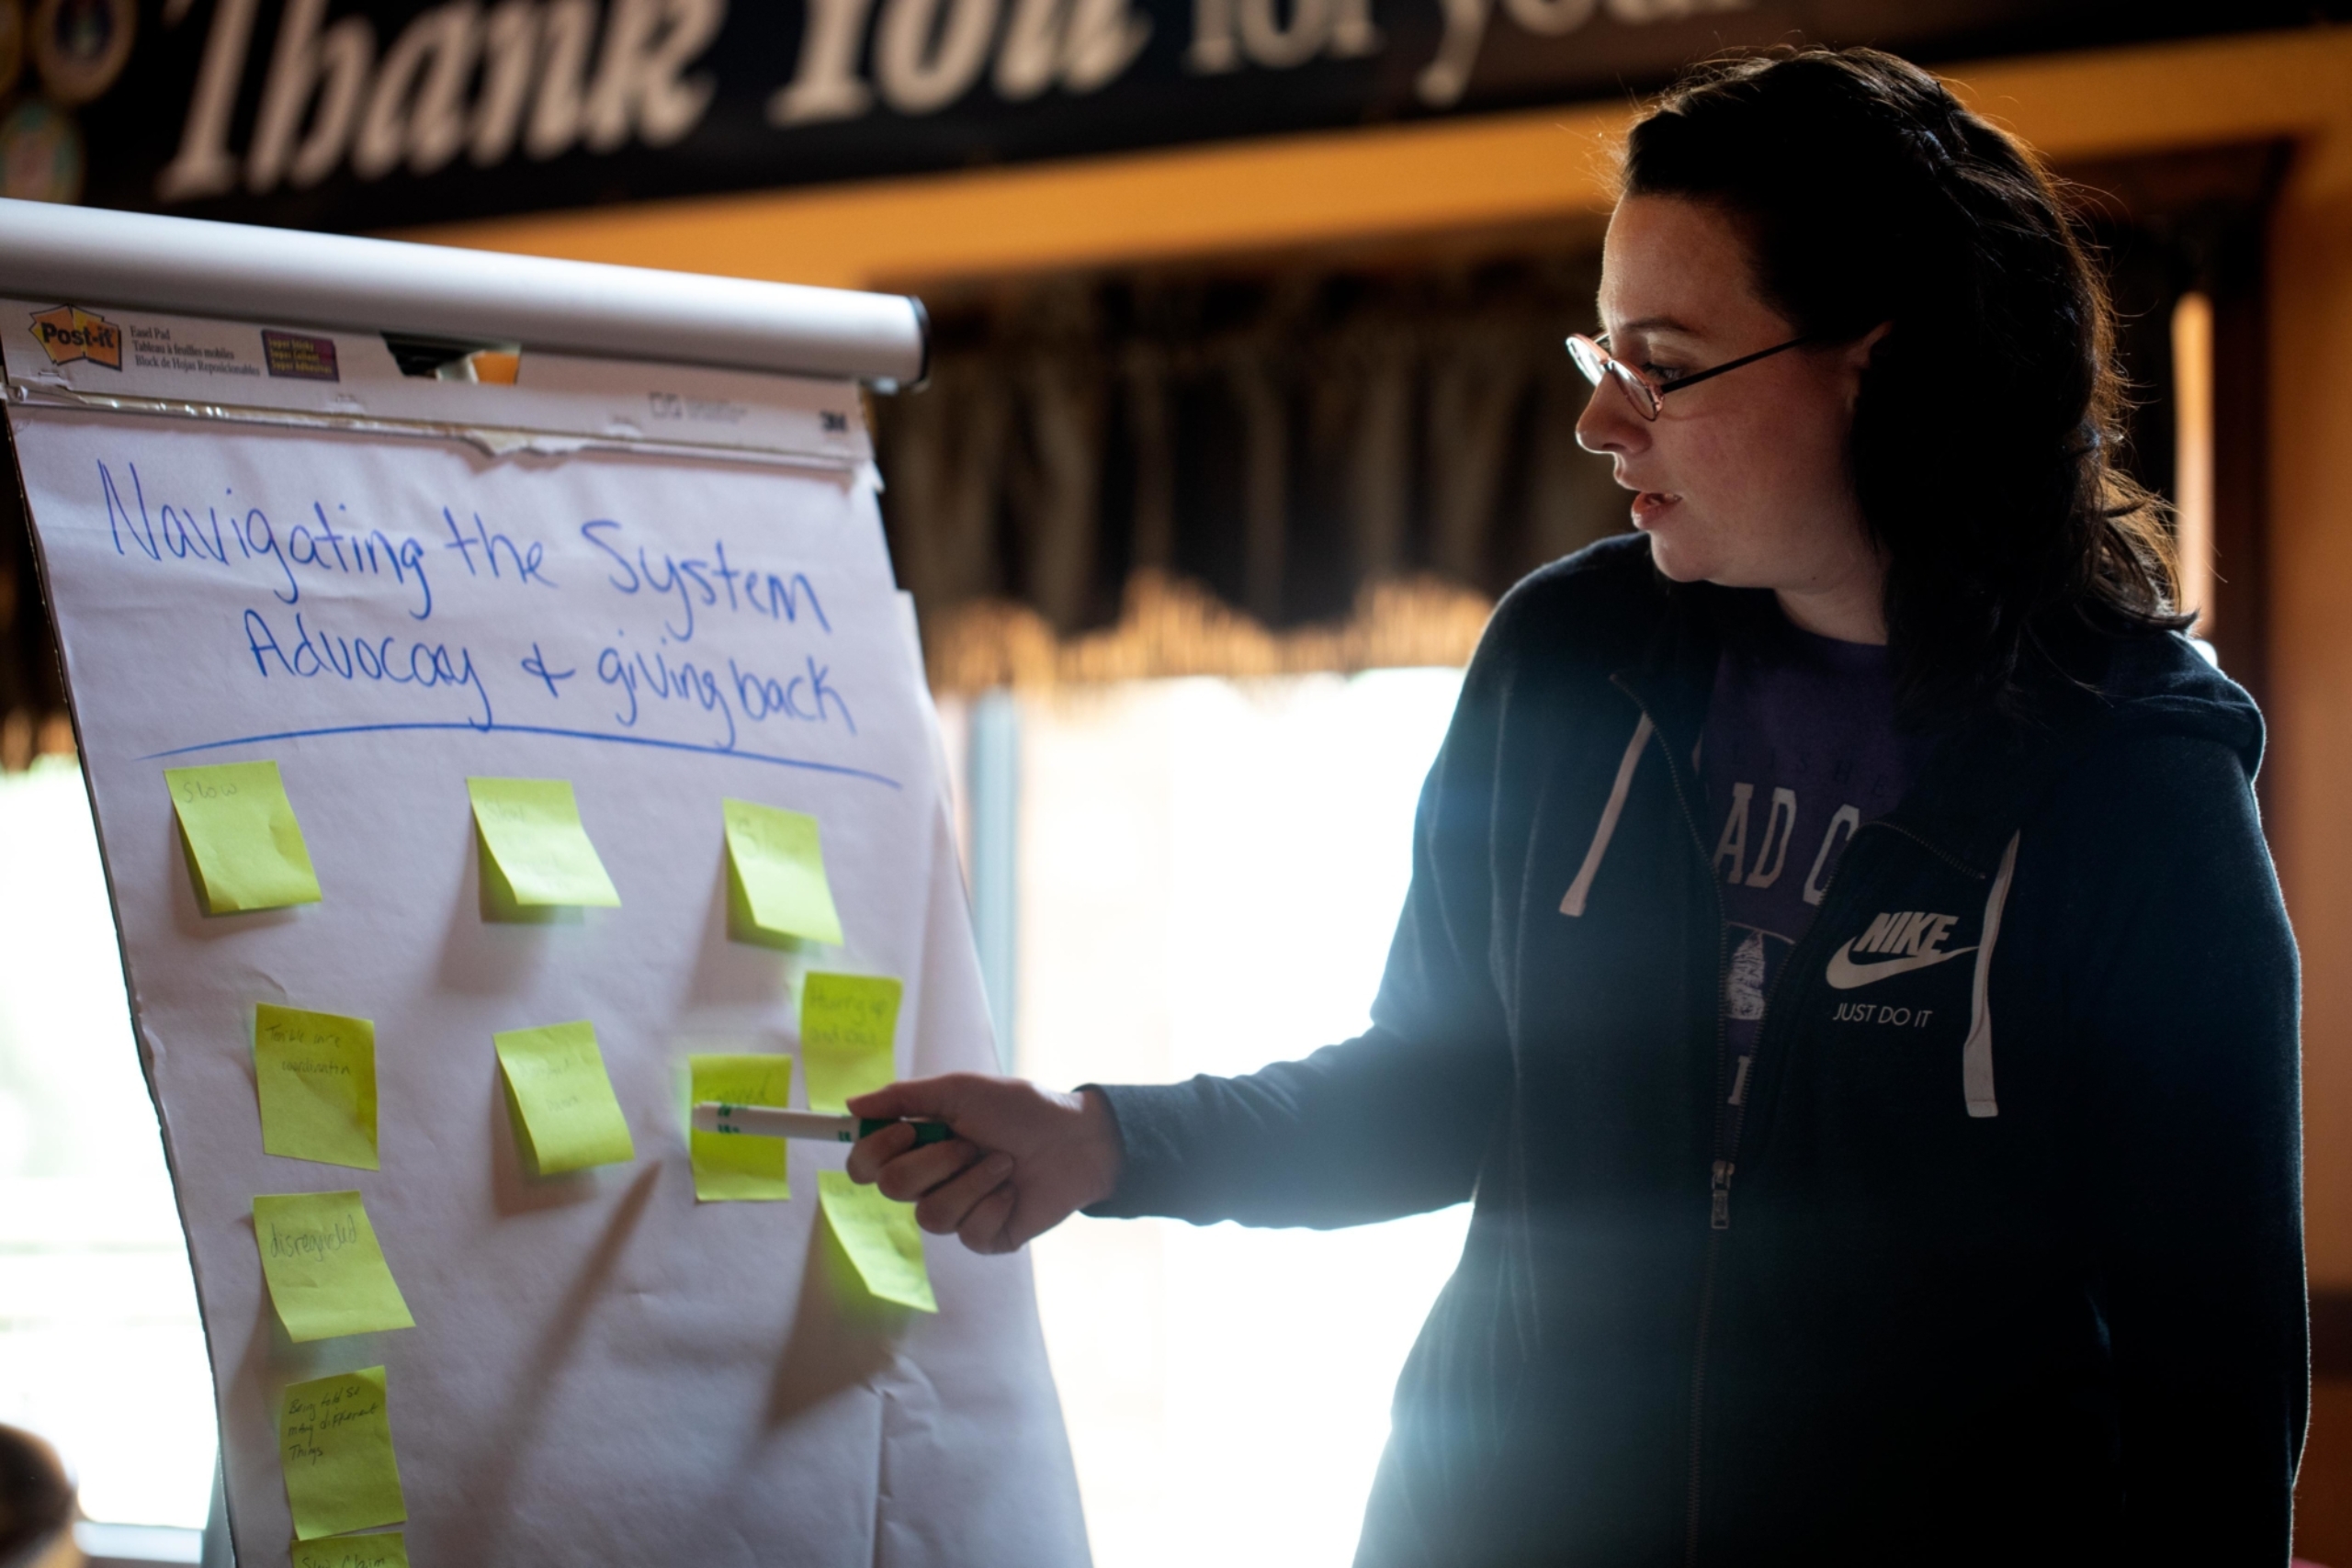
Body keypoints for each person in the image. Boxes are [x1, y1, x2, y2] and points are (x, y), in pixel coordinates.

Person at [848, 46, 2307, 1565]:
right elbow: (1435, 1090)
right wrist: (1102, 1142)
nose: (1604, 426)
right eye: (1598, 359)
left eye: (1663, 365)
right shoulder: (1570, 659)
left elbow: (2218, 1376)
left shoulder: (2130, 775)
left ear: (1884, 368)